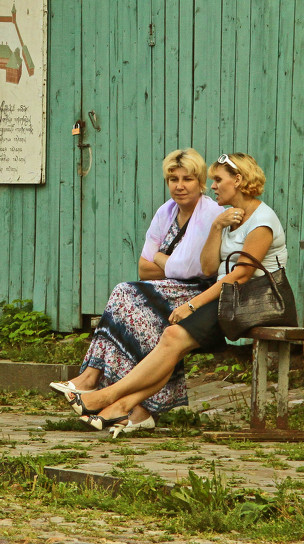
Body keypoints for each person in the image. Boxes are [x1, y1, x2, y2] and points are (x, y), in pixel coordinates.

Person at [67, 153, 289, 431]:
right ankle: (123, 406)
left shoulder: (262, 221)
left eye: (218, 180)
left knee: (173, 337)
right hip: (229, 299)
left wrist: (192, 305)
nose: (214, 186)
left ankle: (108, 396)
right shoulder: (228, 218)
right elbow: (210, 267)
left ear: (239, 180)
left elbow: (240, 275)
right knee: (171, 337)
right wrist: (217, 227)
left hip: (253, 303)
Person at [50, 148, 223, 435]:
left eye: (187, 179)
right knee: (142, 319)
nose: (179, 186)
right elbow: (144, 269)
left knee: (125, 293)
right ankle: (137, 408)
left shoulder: (210, 214)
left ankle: (95, 381)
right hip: (166, 288)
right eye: (173, 179)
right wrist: (175, 264)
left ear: (201, 182)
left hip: (198, 294)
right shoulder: (165, 212)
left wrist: (162, 259)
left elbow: (200, 270)